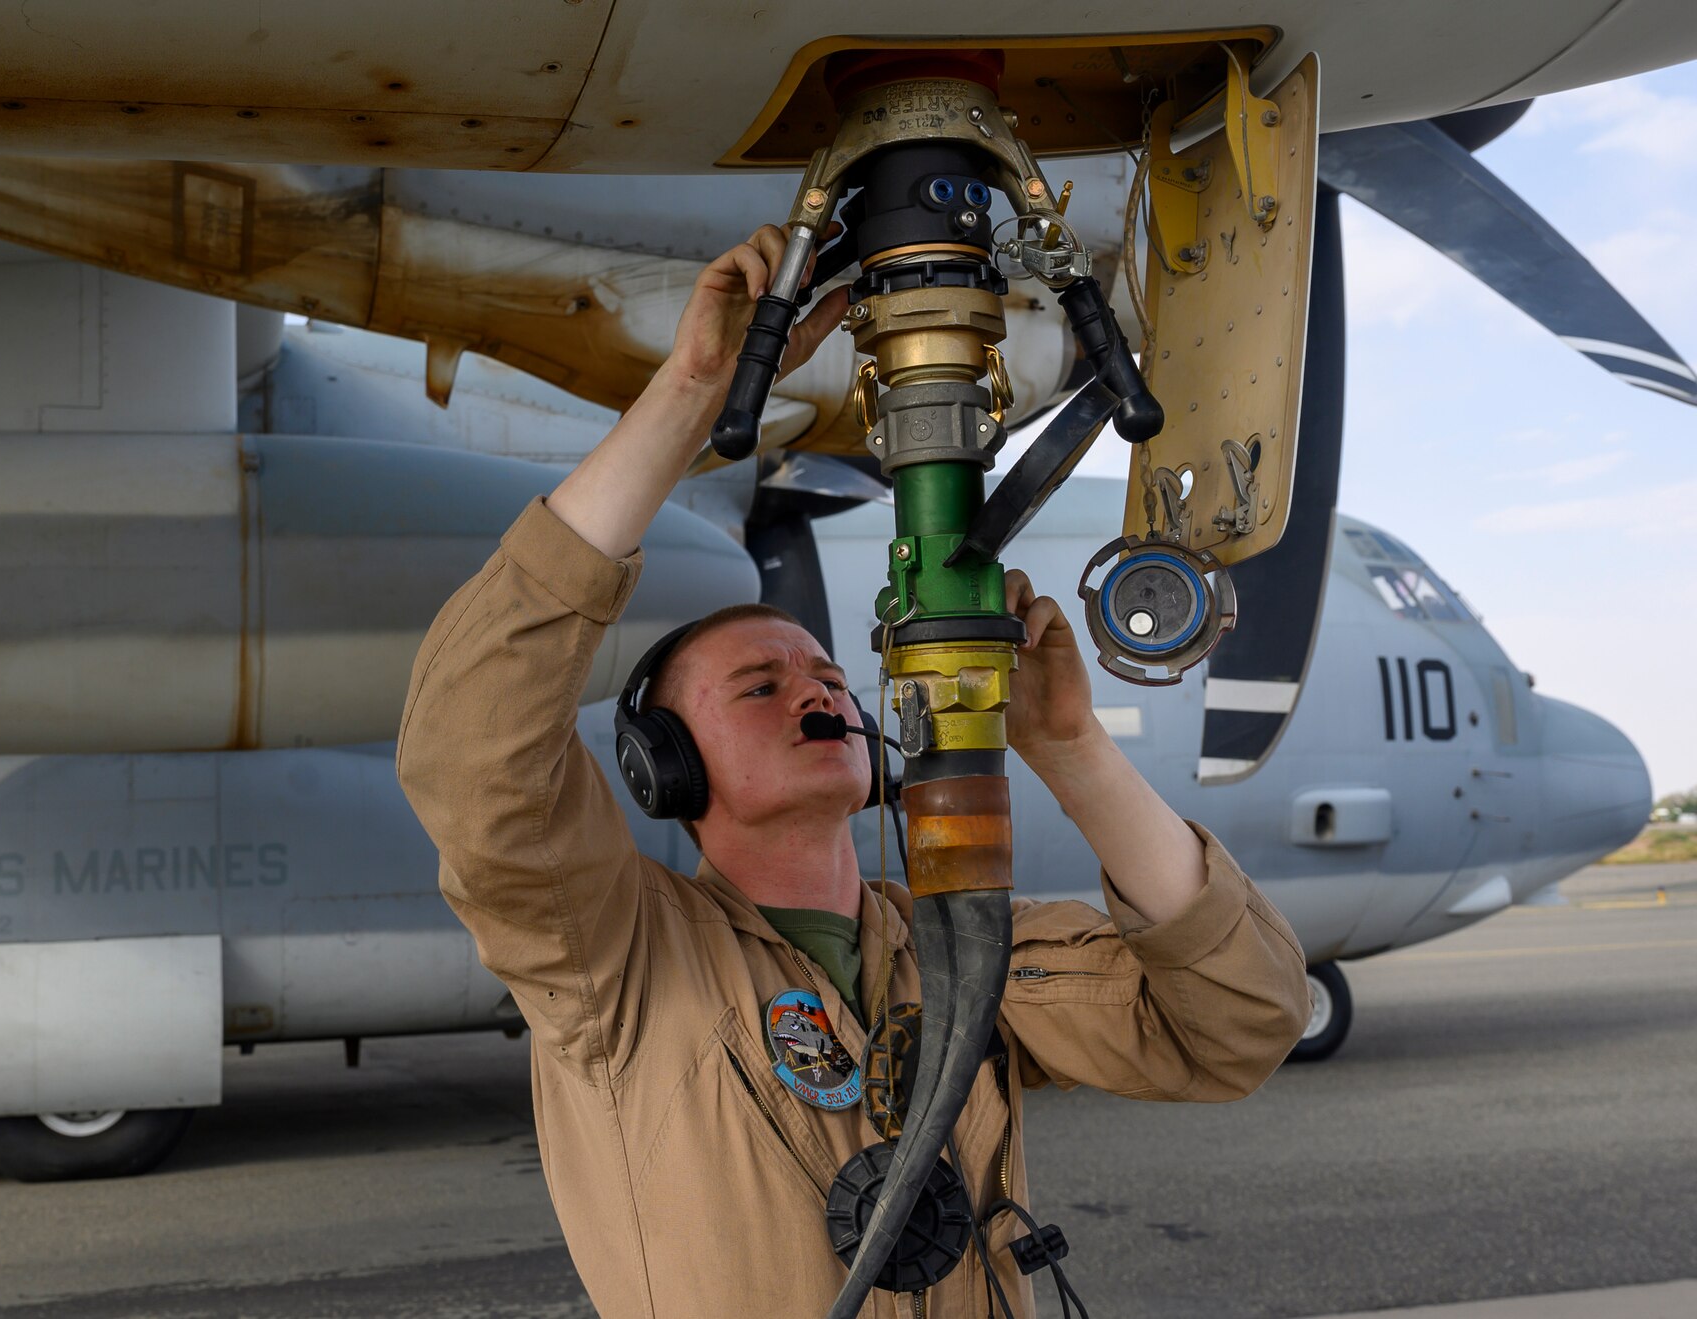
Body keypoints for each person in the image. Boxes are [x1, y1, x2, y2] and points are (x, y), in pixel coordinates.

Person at [397, 226, 1312, 1319]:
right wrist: (692, 392)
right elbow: (470, 744)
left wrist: (1070, 751)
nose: (816, 691)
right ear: (666, 764)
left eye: (826, 673)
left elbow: (1242, 1021)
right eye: (755, 685)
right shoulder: (615, 959)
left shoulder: (966, 950)